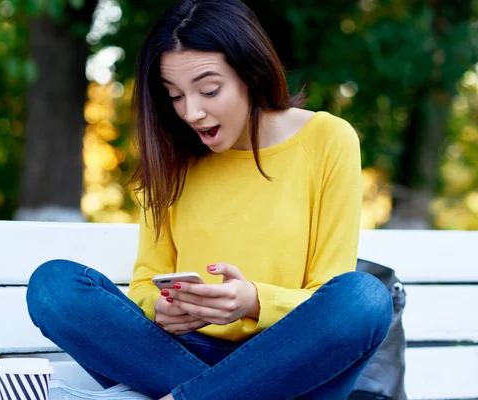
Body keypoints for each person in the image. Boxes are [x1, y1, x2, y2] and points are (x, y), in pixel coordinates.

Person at [26, 0, 393, 399]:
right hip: (181, 354)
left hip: (291, 362)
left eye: (209, 90)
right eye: (175, 95)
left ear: (250, 74)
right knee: (54, 287)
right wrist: (161, 310)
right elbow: (147, 284)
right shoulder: (171, 157)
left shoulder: (328, 139)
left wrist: (253, 301)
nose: (192, 113)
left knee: (364, 298)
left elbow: (328, 294)